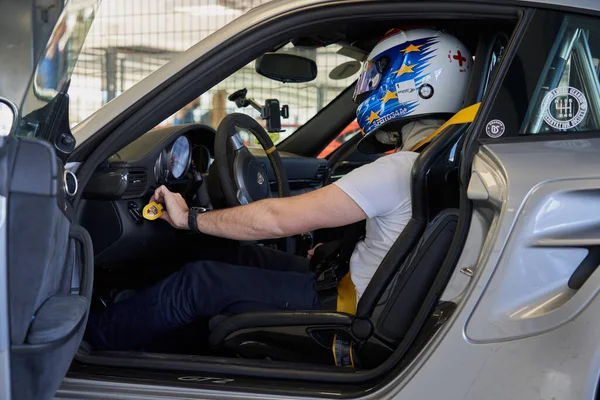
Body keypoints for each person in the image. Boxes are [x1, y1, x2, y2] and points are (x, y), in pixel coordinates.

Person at [85, 28, 472, 351]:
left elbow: (275, 219)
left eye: (375, 77)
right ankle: (134, 310)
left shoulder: (397, 169)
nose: (367, 88)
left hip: (347, 310)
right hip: (361, 291)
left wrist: (190, 218)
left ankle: (90, 341)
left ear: (414, 83)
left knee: (198, 283)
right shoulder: (437, 162)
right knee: (236, 253)